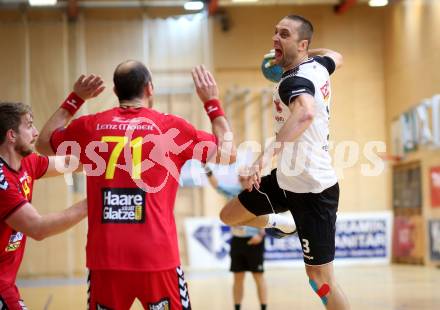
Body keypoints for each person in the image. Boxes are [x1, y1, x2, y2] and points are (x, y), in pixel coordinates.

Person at [36, 62, 235, 309]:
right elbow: (228, 154)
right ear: (149, 88)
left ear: (116, 91)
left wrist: (75, 99)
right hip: (157, 257)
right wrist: (212, 103)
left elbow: (43, 143)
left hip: (105, 257)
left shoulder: (90, 126)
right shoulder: (171, 128)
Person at [219, 15, 350, 309]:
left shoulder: (293, 81)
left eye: (285, 35)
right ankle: (284, 223)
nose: (275, 38)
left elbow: (304, 113)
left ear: (302, 44)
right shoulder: (318, 67)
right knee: (228, 215)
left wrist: (261, 159)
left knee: (320, 279)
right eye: (275, 32)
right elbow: (337, 57)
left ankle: (290, 222)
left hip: (314, 189)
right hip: (285, 179)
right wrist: (306, 52)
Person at [0, 101, 90, 310]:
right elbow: (38, 228)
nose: (36, 132)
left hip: (6, 283)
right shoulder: (2, 181)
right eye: (29, 125)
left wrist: (111, 155)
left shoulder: (27, 163)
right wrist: (94, 201)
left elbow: (68, 163)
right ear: (11, 135)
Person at [205, 166, 267, 310]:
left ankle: (264, 307)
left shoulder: (260, 193)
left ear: (252, 178)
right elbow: (217, 186)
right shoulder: (235, 193)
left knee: (258, 276)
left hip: (254, 241)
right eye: (240, 179)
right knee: (238, 277)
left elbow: (268, 215)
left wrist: (260, 234)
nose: (243, 181)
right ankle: (237, 307)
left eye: (245, 178)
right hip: (237, 241)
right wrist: (207, 169)